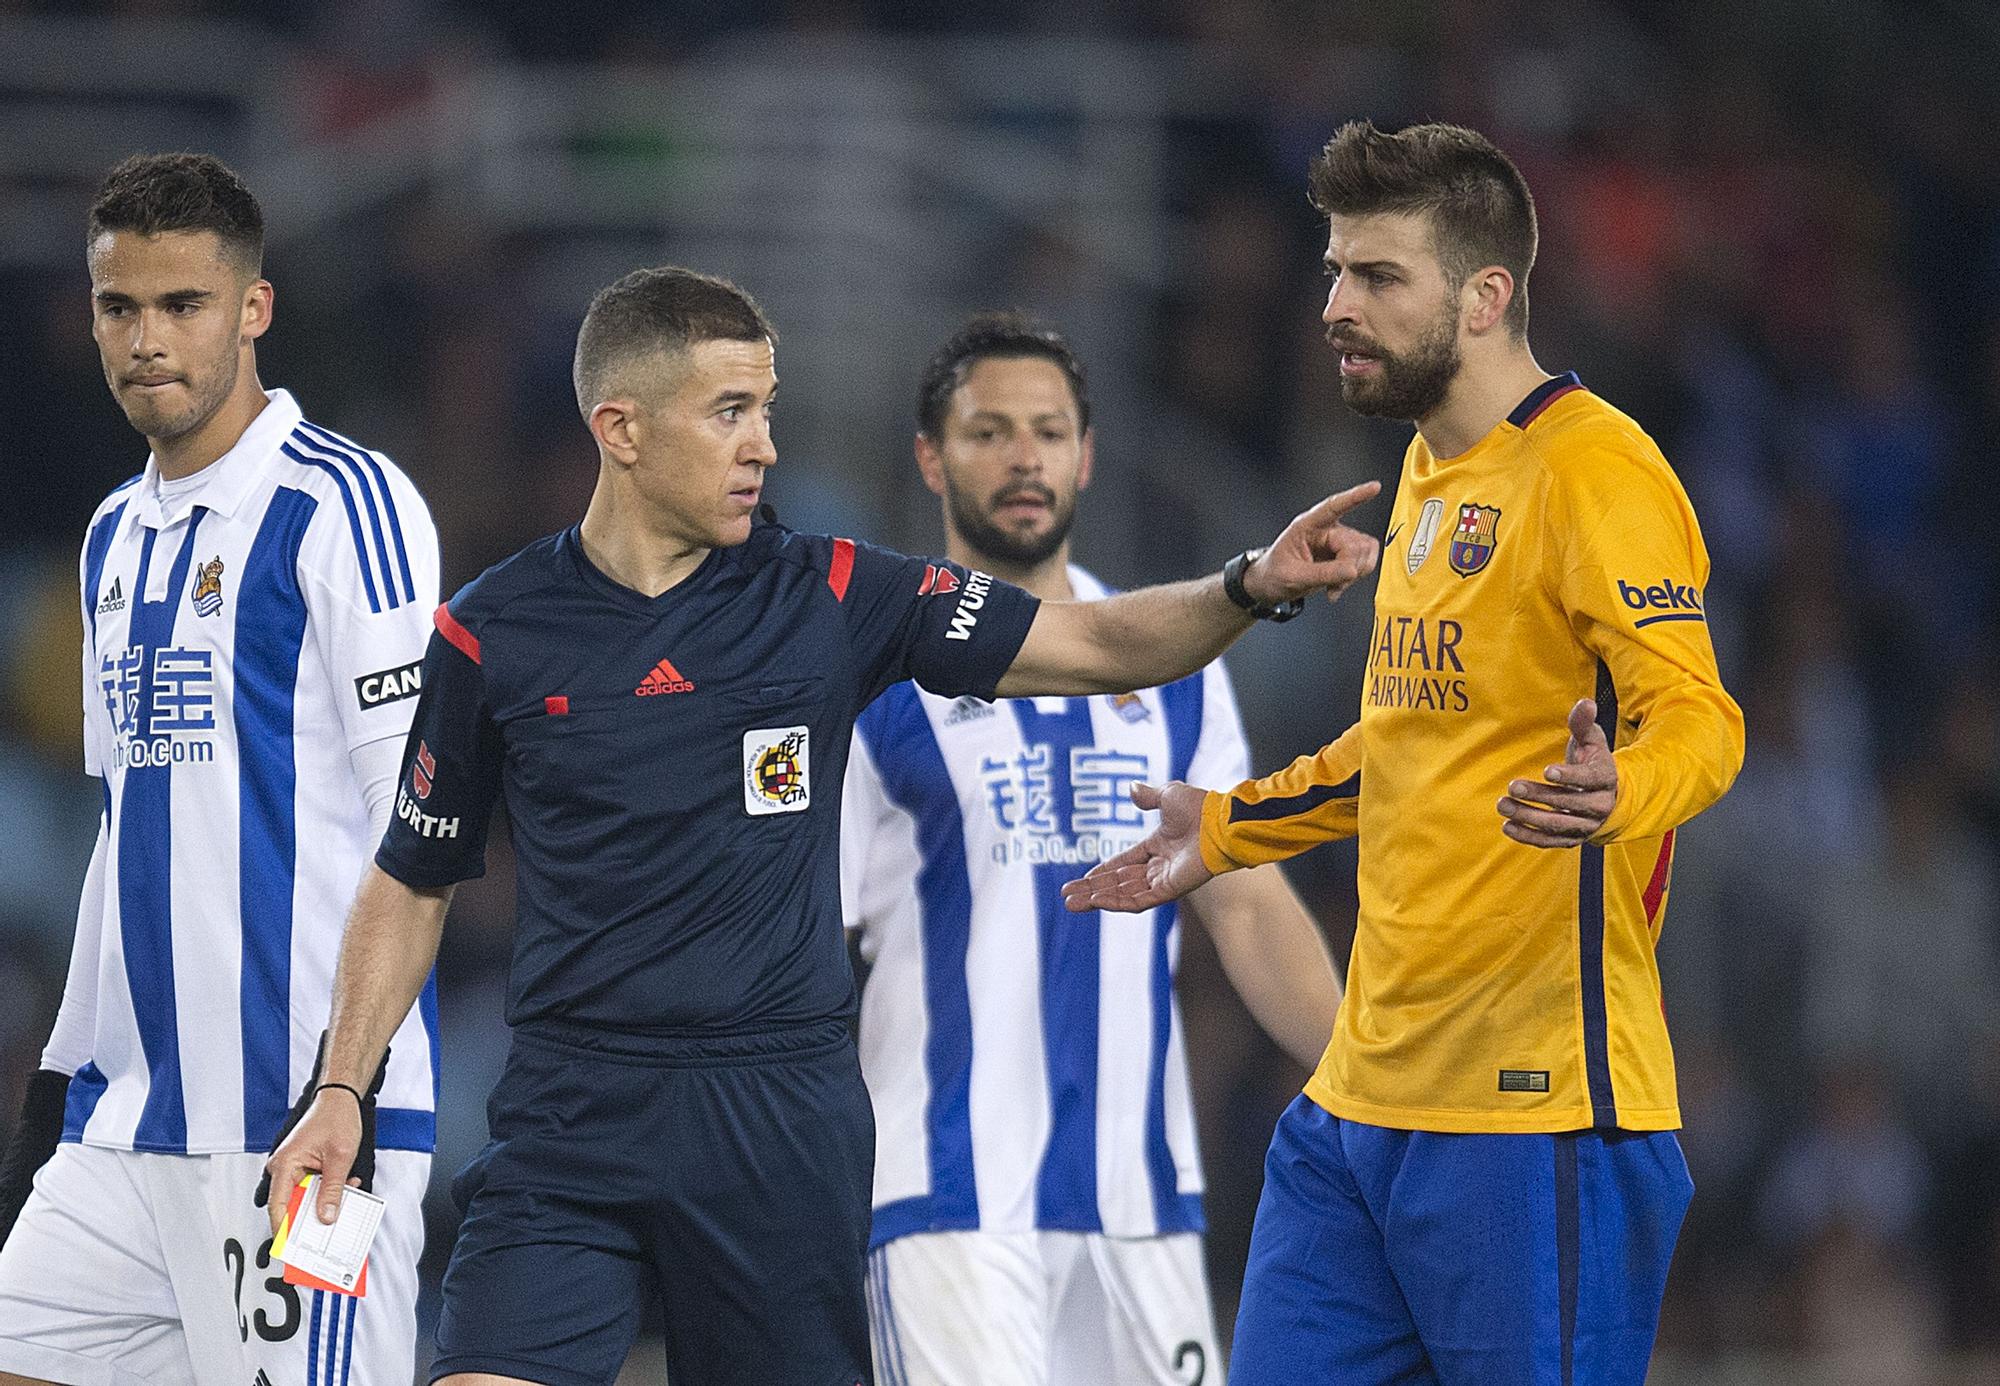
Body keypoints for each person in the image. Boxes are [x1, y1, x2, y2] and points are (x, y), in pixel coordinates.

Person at [264, 265, 1380, 1386]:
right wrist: (338, 1092)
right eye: (729, 414)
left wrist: (1246, 584)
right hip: (570, 1118)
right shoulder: (491, 631)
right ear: (621, 429)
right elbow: (413, 878)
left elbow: (1091, 644)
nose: (764, 446)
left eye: (767, 410)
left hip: (777, 1130)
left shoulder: (835, 594)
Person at [1063, 120, 1746, 1386]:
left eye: (1376, 277)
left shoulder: (1599, 474)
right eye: (1333, 271)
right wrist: (1223, 831)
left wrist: (1624, 789)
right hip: (1356, 1107)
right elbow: (1410, 744)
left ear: (1485, 296)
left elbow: (1699, 718)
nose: (1334, 305)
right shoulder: (1429, 471)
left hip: (1532, 1118)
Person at [0, 154, 440, 1384]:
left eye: (181, 305)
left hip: (300, 1129)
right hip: (128, 1128)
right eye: (118, 307)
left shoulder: (344, 508)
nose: (146, 339)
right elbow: (122, 826)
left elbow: (421, 830)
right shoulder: (109, 536)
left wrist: (343, 1088)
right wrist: (58, 1072)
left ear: (252, 309)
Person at [841, 313, 1342, 1386]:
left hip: (1140, 1208)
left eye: (1048, 431)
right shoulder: (871, 675)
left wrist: (1367, 1071)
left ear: (1085, 455)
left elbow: (1244, 904)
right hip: (945, 1203)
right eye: (987, 432)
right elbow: (803, 940)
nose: (1023, 456)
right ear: (929, 457)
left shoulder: (1178, 665)